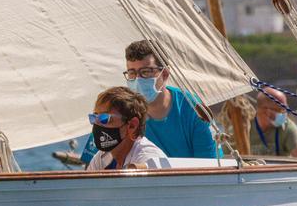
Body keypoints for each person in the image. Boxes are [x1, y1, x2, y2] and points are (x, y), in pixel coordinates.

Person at [80, 40, 220, 164]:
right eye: (132, 73)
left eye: (145, 72)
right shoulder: (116, 110)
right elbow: (92, 164)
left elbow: (208, 166)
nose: (138, 80)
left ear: (164, 74)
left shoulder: (193, 110)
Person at [85, 86, 168, 171]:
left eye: (104, 118)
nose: (96, 124)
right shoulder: (103, 156)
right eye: (94, 117)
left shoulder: (149, 160)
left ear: (132, 126)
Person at [248, 87, 297, 158]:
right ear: (267, 112)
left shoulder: (287, 127)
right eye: (282, 110)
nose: (285, 114)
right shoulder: (244, 127)